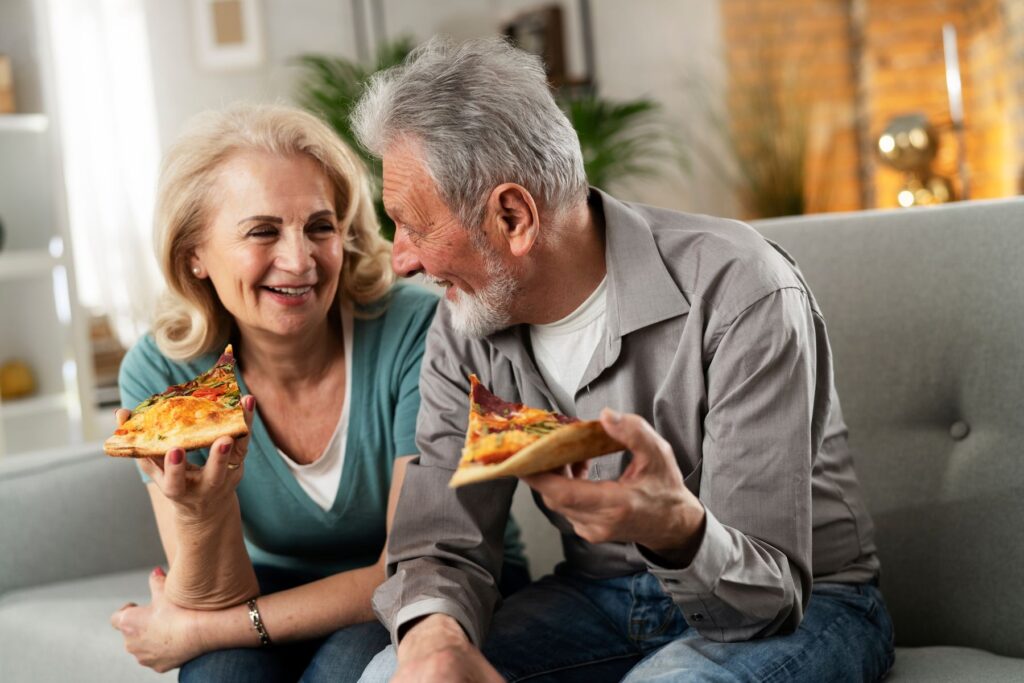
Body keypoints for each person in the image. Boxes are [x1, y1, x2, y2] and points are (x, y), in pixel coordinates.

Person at [353, 38, 895, 683]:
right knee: (395, 673)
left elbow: (768, 600)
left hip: (810, 606)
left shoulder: (741, 290)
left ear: (512, 216)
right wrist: (436, 639)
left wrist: (674, 528)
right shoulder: (465, 322)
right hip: (601, 601)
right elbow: (441, 540)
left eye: (413, 225)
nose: (401, 259)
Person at [107, 103, 529, 682]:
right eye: (263, 231)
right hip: (277, 586)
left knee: (341, 671)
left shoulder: (418, 332)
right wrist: (201, 515)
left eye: (319, 227)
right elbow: (213, 596)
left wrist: (201, 632)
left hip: (438, 591)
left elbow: (409, 569)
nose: (299, 259)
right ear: (194, 255)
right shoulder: (164, 371)